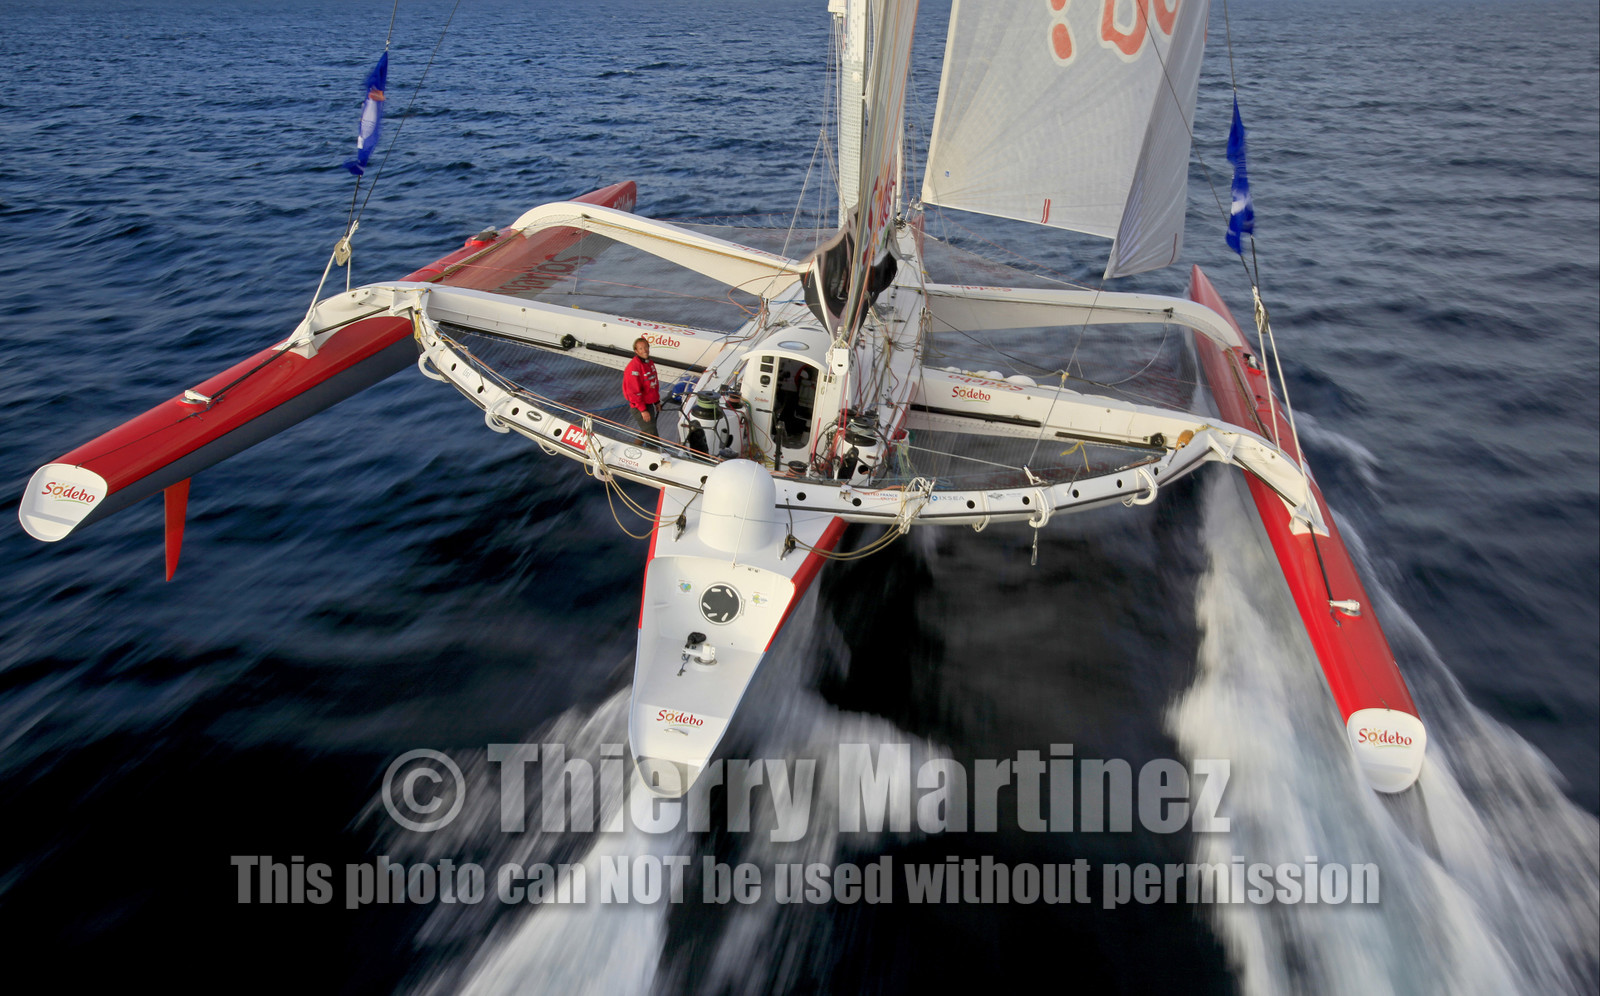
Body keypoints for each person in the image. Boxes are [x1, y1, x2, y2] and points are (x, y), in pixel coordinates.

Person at [622, 337, 661, 438]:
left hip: (649, 403)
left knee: (647, 430)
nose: (644, 350)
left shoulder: (649, 363)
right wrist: (643, 410)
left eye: (646, 347)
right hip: (640, 406)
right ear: (636, 351)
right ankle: (654, 452)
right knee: (652, 435)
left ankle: (636, 448)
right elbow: (633, 392)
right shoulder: (633, 367)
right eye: (641, 348)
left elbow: (653, 384)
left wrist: (656, 402)